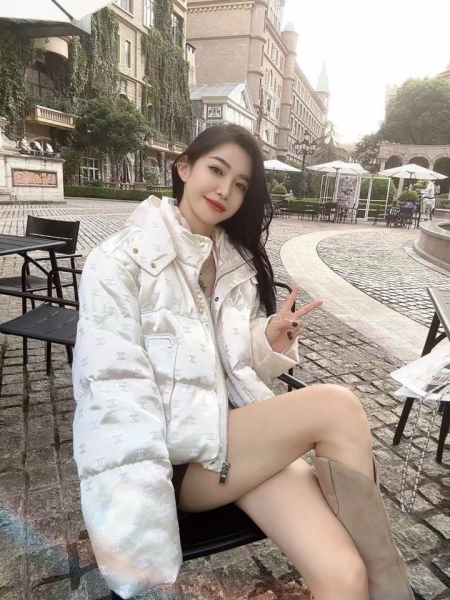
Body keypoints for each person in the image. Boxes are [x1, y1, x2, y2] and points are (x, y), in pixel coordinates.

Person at [72, 124, 414, 600]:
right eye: (216, 170)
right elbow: (114, 397)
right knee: (336, 407)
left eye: (240, 184)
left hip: (235, 440)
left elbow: (216, 363)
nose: (224, 191)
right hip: (180, 460)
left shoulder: (232, 261)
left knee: (344, 575)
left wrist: (263, 339)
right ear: (184, 167)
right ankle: (392, 589)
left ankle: (377, 585)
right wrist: (141, 553)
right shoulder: (118, 263)